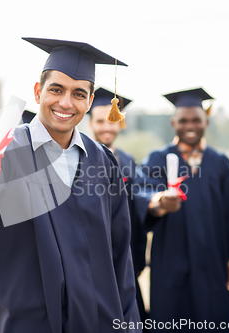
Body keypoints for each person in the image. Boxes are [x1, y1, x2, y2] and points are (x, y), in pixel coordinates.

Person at [0, 37, 140, 332]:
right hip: (28, 320)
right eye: (56, 90)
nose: (66, 103)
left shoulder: (103, 161)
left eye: (78, 94)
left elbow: (120, 254)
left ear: (90, 101)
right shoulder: (8, 147)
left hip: (94, 319)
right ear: (38, 91)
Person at [136, 88, 229, 331]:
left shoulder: (220, 162)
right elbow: (142, 192)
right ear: (173, 123)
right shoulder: (157, 158)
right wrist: (159, 202)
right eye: (183, 120)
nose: (190, 125)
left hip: (213, 260)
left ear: (206, 121)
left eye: (196, 120)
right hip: (172, 259)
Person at [88, 87, 148, 326]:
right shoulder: (78, 159)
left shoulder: (127, 160)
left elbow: (138, 203)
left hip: (124, 260)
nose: (107, 127)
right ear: (90, 121)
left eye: (112, 121)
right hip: (91, 262)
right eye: (100, 121)